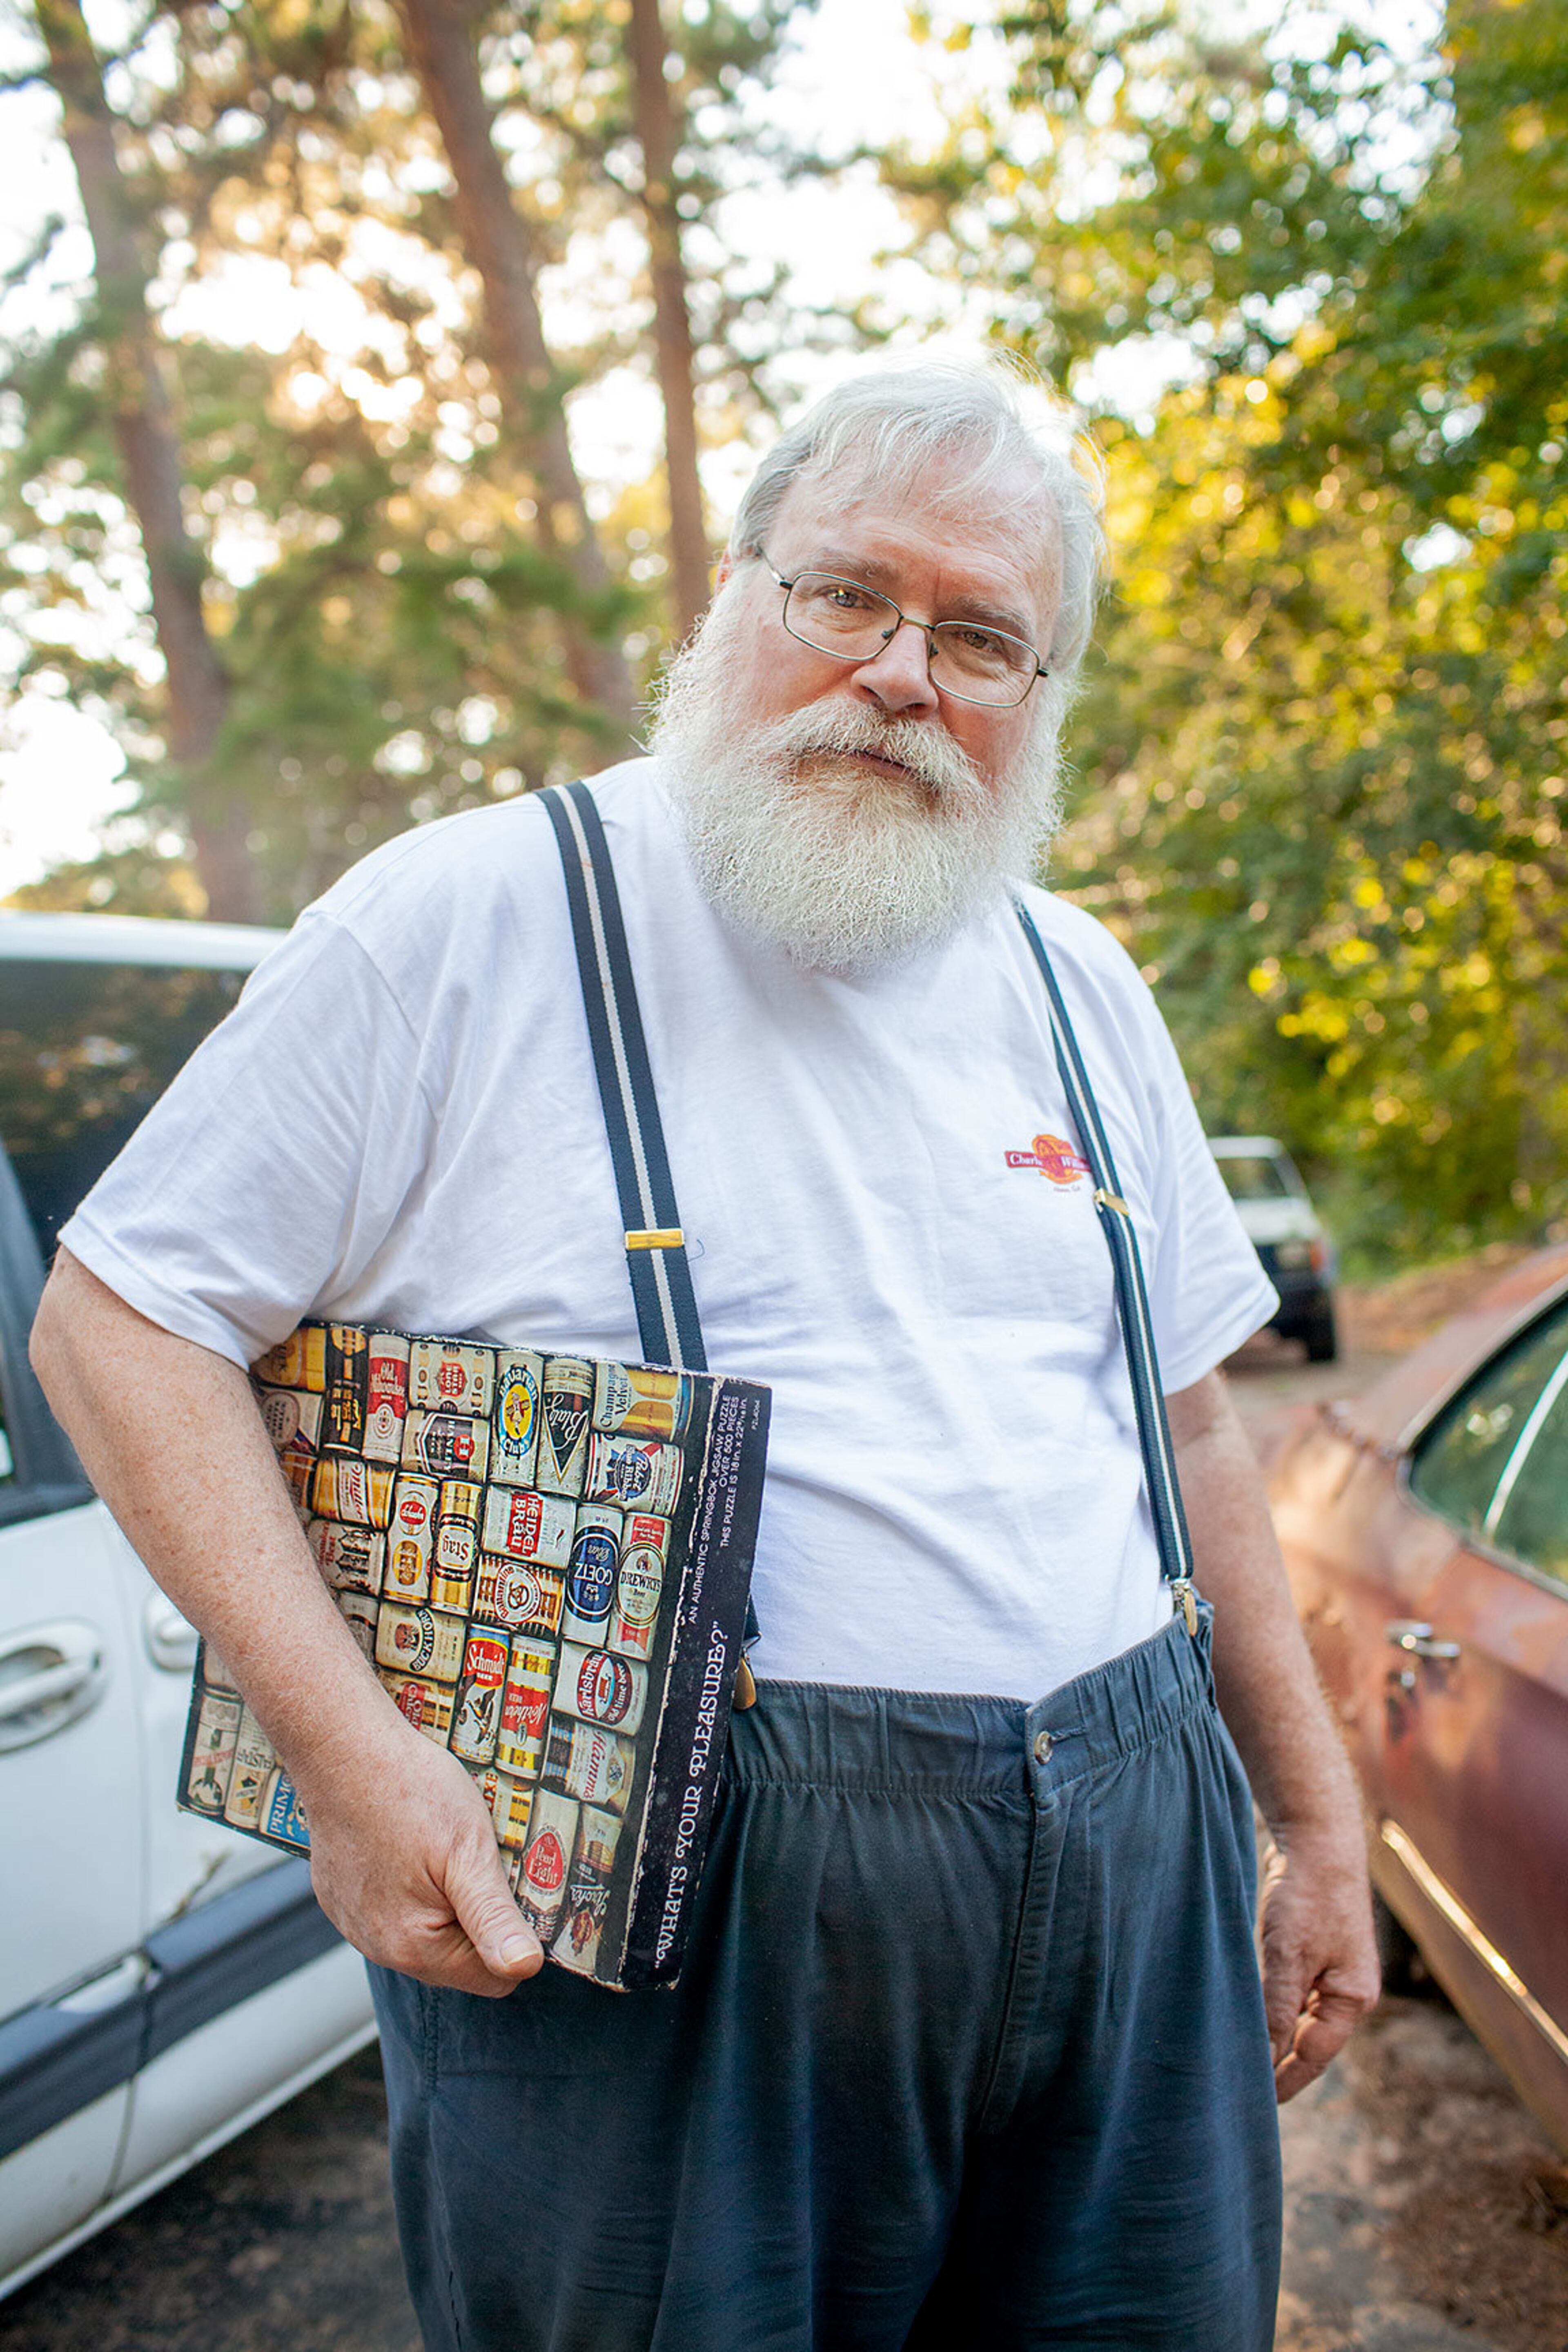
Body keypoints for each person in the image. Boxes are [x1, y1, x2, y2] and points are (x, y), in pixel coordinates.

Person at [31, 360, 1379, 2352]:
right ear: (736, 587)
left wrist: (1319, 1819)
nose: (904, 671)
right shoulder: (466, 918)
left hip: (1135, 1856)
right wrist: (353, 1754)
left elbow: (1184, 1422)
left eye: (983, 635)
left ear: (1044, 697)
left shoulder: (1077, 980)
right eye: (849, 594)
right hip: (667, 1938)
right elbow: (120, 1319)